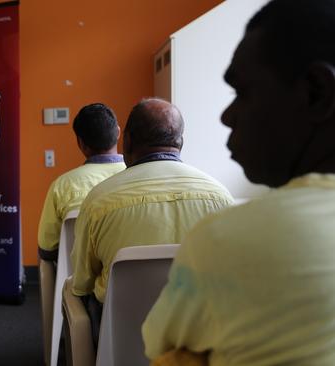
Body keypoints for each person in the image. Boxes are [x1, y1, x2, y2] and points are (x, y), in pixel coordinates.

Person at [142, 0, 335, 364]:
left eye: (242, 92)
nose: (227, 115)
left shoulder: (225, 239)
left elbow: (157, 344)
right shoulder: (218, 196)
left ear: (316, 92)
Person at [70, 98, 233, 346]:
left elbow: (82, 283)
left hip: (119, 337)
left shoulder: (99, 200)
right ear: (180, 142)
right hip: (199, 334)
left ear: (128, 141)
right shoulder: (221, 197)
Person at [37, 103, 126, 261]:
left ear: (80, 143)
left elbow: (47, 249)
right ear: (118, 132)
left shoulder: (62, 186)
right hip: (132, 282)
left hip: (79, 282)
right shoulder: (141, 178)